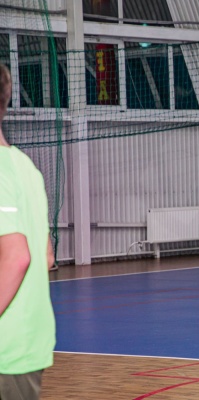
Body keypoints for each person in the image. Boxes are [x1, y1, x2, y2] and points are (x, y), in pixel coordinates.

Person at [0, 63, 56, 399]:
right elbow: (46, 256)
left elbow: (18, 258)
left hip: (6, 349)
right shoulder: (26, 167)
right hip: (27, 344)